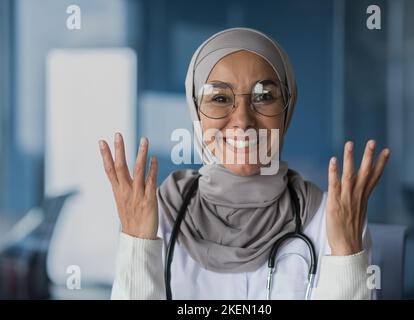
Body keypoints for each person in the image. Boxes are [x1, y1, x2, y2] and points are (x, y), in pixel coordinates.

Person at [98, 28, 390, 299]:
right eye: (220, 98)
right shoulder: (157, 215)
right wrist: (137, 245)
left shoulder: (331, 220)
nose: (243, 121)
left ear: (287, 107)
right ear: (195, 110)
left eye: (265, 97)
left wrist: (347, 254)